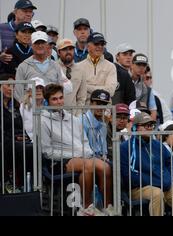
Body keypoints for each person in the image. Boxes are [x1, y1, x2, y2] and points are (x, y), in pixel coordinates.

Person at [40, 83, 114, 216]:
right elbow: (47, 151)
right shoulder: (42, 121)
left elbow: (85, 142)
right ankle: (86, 207)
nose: (59, 102)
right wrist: (78, 154)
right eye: (54, 99)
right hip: (57, 162)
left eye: (61, 98)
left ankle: (108, 207)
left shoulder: (73, 119)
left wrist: (86, 153)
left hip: (80, 157)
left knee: (105, 167)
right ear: (47, 101)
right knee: (88, 164)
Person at [120, 112, 173, 216]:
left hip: (162, 185)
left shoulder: (157, 145)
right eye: (146, 125)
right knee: (156, 193)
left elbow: (171, 163)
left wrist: (167, 179)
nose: (150, 128)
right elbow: (128, 175)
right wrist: (156, 182)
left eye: (151, 125)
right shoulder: (125, 147)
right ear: (135, 128)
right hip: (137, 188)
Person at [14, 31, 72, 102]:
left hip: (52, 111)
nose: (40, 45)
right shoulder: (23, 66)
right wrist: (26, 107)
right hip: (31, 111)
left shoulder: (55, 66)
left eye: (43, 43)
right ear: (31, 45)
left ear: (47, 45)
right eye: (37, 43)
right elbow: (18, 92)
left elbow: (64, 88)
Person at [77, 32, 117, 102]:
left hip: (104, 110)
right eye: (96, 44)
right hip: (84, 110)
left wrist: (86, 87)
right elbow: (77, 90)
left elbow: (110, 91)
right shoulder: (78, 67)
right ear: (88, 46)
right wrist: (102, 88)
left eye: (102, 44)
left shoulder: (111, 66)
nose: (100, 46)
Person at [0, 0, 37, 73]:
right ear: (15, 12)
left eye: (30, 11)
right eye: (25, 11)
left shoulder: (35, 32)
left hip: (28, 76)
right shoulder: (1, 28)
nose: (28, 14)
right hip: (4, 77)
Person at [57, 38, 87, 113]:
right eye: (64, 49)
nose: (68, 52)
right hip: (54, 115)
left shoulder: (81, 70)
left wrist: (77, 115)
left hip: (73, 117)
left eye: (70, 49)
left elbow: (82, 97)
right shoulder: (53, 67)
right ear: (58, 52)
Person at [82, 89, 111, 160]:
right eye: (98, 103)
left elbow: (104, 151)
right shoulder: (81, 120)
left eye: (104, 104)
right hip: (86, 160)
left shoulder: (103, 124)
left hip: (100, 161)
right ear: (91, 103)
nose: (101, 107)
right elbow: (82, 148)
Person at [130, 53, 157, 119]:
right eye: (138, 64)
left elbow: (149, 110)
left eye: (144, 65)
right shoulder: (124, 79)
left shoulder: (146, 89)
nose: (141, 67)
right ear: (132, 65)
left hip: (138, 120)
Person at [19, 77, 46, 142]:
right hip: (30, 141)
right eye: (35, 88)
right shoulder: (24, 106)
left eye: (41, 88)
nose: (38, 90)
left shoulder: (49, 104)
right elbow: (27, 127)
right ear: (29, 92)